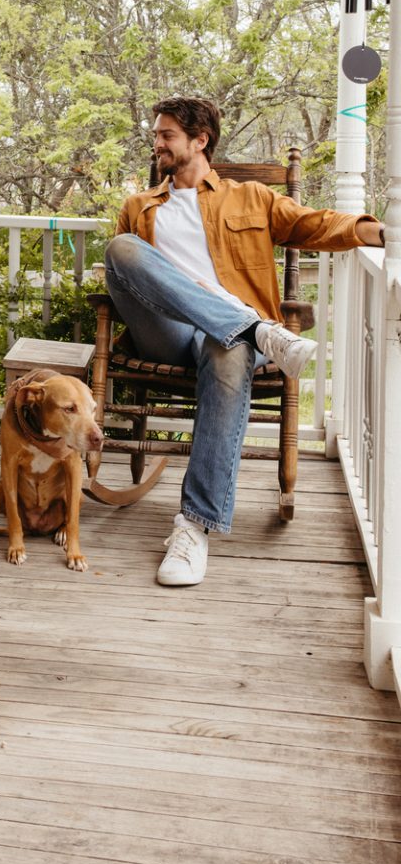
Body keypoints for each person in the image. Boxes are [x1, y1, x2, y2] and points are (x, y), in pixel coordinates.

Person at [105, 96, 384, 588]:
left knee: (229, 348)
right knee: (121, 249)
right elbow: (128, 277)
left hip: (222, 341)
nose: (157, 144)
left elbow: (313, 223)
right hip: (164, 334)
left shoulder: (251, 198)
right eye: (156, 135)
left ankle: (193, 527)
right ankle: (256, 329)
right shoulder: (139, 207)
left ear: (200, 140)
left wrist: (375, 230)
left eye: (166, 135)